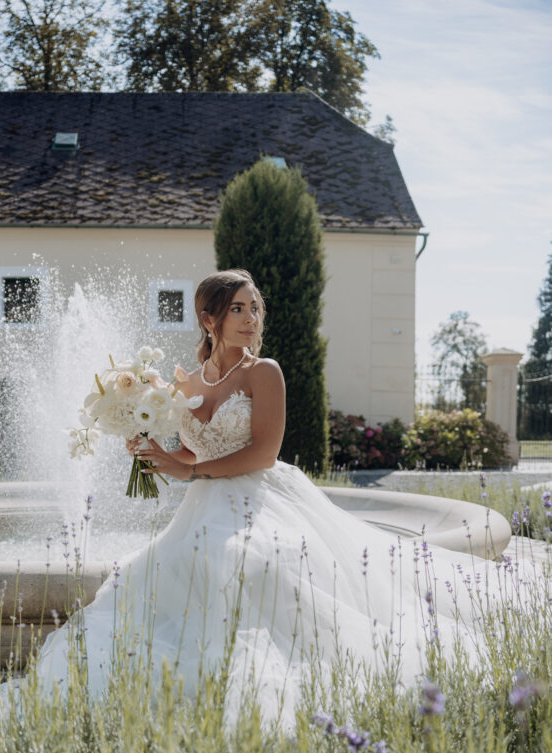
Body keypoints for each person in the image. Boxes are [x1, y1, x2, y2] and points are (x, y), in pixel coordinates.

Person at [35, 269, 516, 725]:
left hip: (262, 496)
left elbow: (263, 453)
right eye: (238, 310)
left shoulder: (263, 372)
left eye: (255, 309)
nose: (251, 320)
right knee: (160, 577)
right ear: (209, 319)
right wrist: (152, 448)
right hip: (203, 503)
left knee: (247, 560)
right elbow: (186, 452)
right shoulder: (185, 383)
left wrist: (190, 468)